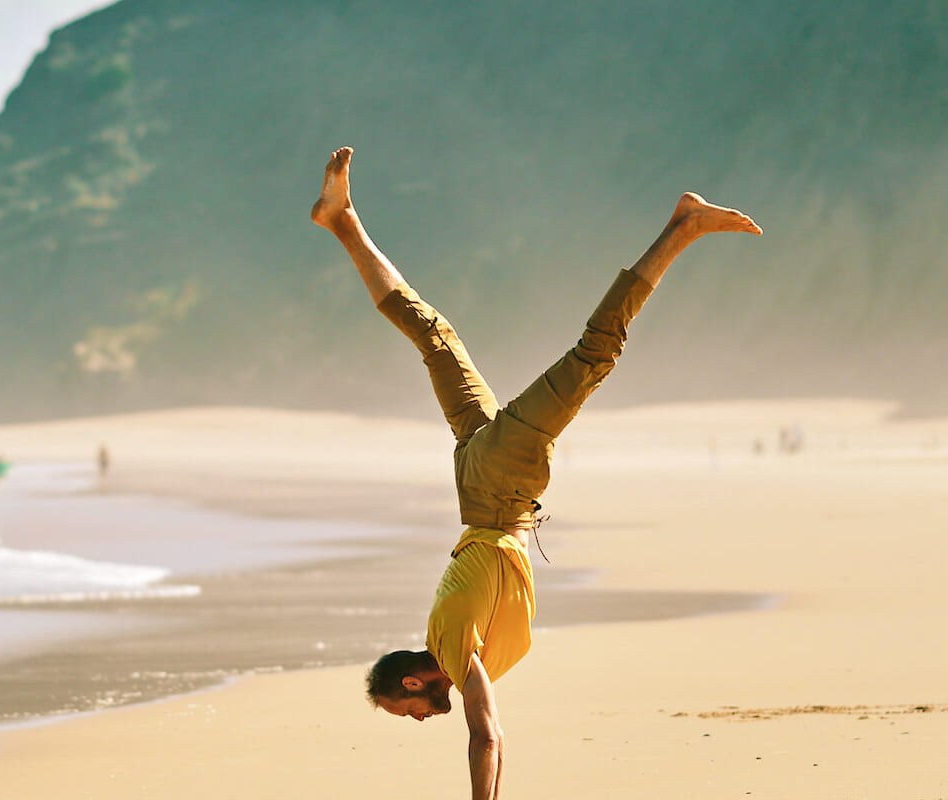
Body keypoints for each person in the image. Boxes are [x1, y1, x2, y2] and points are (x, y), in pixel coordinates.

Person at [309, 146, 760, 799]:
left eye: (402, 710)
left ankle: (683, 226)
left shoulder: (455, 649)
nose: (412, 721)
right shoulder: (452, 641)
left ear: (412, 682)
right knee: (433, 335)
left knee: (594, 354)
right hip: (478, 477)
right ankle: (343, 223)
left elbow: (486, 736)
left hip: (499, 484)